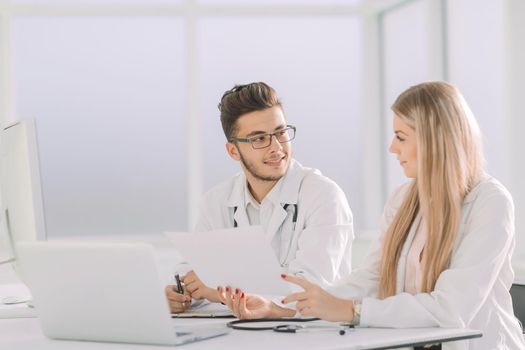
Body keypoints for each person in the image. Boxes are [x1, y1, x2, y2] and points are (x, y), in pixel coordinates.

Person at [219, 81, 525, 349]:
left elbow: (451, 309)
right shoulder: (404, 199)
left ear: (434, 140)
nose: (392, 148)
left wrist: (353, 312)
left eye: (402, 137)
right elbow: (372, 279)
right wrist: (282, 307)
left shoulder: (490, 203)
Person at [165, 82, 353, 314]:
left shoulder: (324, 196)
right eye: (259, 139)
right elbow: (193, 269)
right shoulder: (216, 201)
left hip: (311, 337)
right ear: (233, 151)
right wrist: (181, 293)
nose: (276, 147)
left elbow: (309, 291)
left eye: (281, 133)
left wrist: (217, 291)